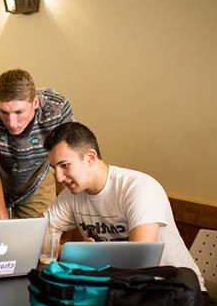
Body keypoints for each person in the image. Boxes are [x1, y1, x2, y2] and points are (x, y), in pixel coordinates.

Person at [43, 121, 205, 290]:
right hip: (120, 290)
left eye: (65, 165)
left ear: (90, 157)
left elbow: (139, 260)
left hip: (172, 291)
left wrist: (86, 255)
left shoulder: (139, 187)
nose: (59, 177)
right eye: (55, 168)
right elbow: (38, 238)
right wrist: (77, 252)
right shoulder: (71, 194)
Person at [0, 69, 74, 219]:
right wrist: (3, 227)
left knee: (38, 239)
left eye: (19, 112)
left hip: (37, 179)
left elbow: (68, 160)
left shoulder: (57, 109)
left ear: (35, 103)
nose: (12, 123)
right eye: (4, 112)